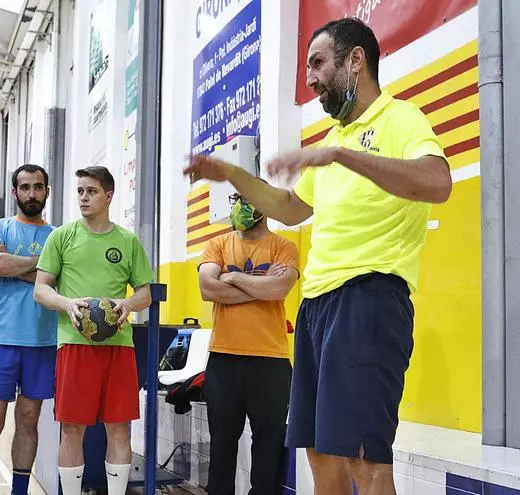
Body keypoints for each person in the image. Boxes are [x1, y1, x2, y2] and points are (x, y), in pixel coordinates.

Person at [183, 17, 452, 495]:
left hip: (368, 299)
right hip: (315, 309)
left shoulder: (399, 118)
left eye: (318, 63)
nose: (309, 78)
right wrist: (233, 175)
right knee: (321, 454)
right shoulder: (334, 141)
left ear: (355, 61)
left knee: (364, 458)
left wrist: (341, 157)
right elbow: (289, 207)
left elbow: (437, 183)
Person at [34, 166, 154, 495]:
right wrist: (67, 304)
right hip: (74, 345)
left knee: (119, 428)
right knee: (72, 429)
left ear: (109, 196)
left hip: (119, 346)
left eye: (91, 191)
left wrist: (127, 304)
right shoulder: (62, 237)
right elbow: (41, 289)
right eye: (80, 191)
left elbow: (145, 293)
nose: (84, 197)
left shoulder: (127, 241)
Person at [198, 190, 298, 494]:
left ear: (265, 205)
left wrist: (233, 277)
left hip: (272, 361)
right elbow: (208, 288)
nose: (240, 206)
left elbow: (280, 288)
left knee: (269, 447)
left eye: (249, 199)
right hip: (224, 359)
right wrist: (262, 286)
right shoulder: (218, 244)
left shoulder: (284, 246)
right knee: (221, 446)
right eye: (237, 200)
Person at [0, 163, 57, 495]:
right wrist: (44, 265)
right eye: (25, 187)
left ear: (47, 191)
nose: (32, 193)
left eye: (38, 187)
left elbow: (58, 281)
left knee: (28, 421)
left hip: (43, 341)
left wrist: (13, 264)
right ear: (15, 192)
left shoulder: (58, 236)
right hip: (2, 340)